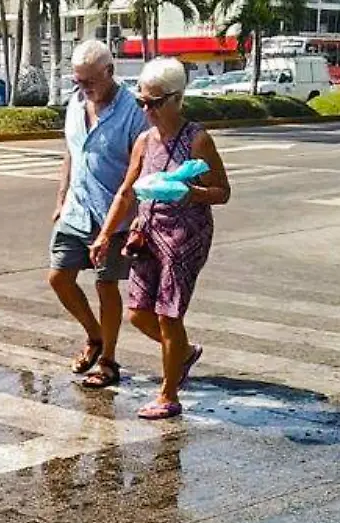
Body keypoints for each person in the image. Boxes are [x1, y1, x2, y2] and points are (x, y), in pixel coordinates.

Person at [91, 58, 230, 420]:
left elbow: (223, 191)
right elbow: (126, 192)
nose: (146, 109)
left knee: (169, 315)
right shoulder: (143, 141)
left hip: (186, 233)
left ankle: (169, 394)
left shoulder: (197, 139)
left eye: (153, 102)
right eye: (141, 102)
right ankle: (182, 354)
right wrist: (105, 235)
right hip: (148, 233)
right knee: (138, 313)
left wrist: (192, 194)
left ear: (176, 99)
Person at [50, 40, 149, 389]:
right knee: (59, 278)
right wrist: (61, 198)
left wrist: (139, 215)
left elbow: (142, 170)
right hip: (77, 210)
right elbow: (71, 152)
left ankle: (107, 360)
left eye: (90, 80)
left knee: (106, 284)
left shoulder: (134, 112)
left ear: (110, 72)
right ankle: (94, 336)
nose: (84, 88)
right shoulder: (75, 105)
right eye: (79, 81)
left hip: (117, 215)